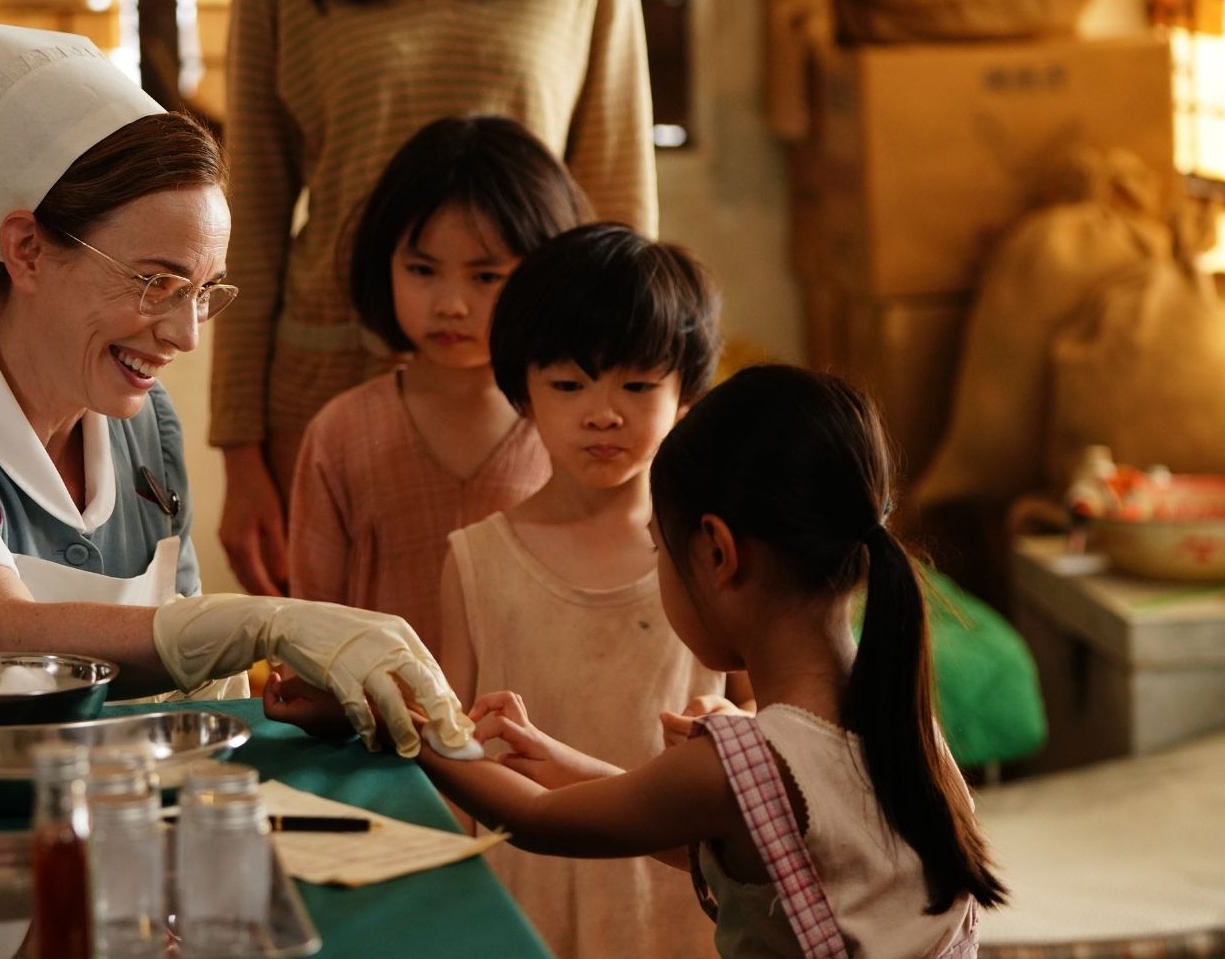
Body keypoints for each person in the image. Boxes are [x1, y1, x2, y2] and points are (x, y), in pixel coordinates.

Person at [0, 19, 471, 760]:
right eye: (157, 284)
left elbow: (177, 677)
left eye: (206, 292)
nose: (186, 335)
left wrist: (280, 679)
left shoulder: (145, 425)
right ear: (26, 250)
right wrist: (260, 621)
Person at [417, 365, 1005, 956]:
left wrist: (413, 729)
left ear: (718, 553)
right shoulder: (898, 714)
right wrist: (556, 759)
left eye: (659, 550)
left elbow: (541, 819)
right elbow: (691, 829)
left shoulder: (736, 767)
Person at [210, 0, 661, 598]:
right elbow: (253, 210)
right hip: (322, 374)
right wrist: (239, 448)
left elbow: (618, 196)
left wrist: (620, 403)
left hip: (531, 394)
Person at [436, 224, 746, 959]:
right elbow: (451, 761)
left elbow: (763, 707)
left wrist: (729, 721)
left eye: (637, 385)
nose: (604, 413)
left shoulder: (716, 549)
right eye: (569, 384)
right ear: (523, 391)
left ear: (686, 391)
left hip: (686, 907)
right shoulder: (477, 561)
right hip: (529, 904)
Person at [286, 115, 584, 654]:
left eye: (486, 276)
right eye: (423, 270)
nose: (451, 304)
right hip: (379, 730)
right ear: (385, 265)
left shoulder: (574, 425)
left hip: (541, 733)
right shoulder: (342, 432)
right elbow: (314, 626)